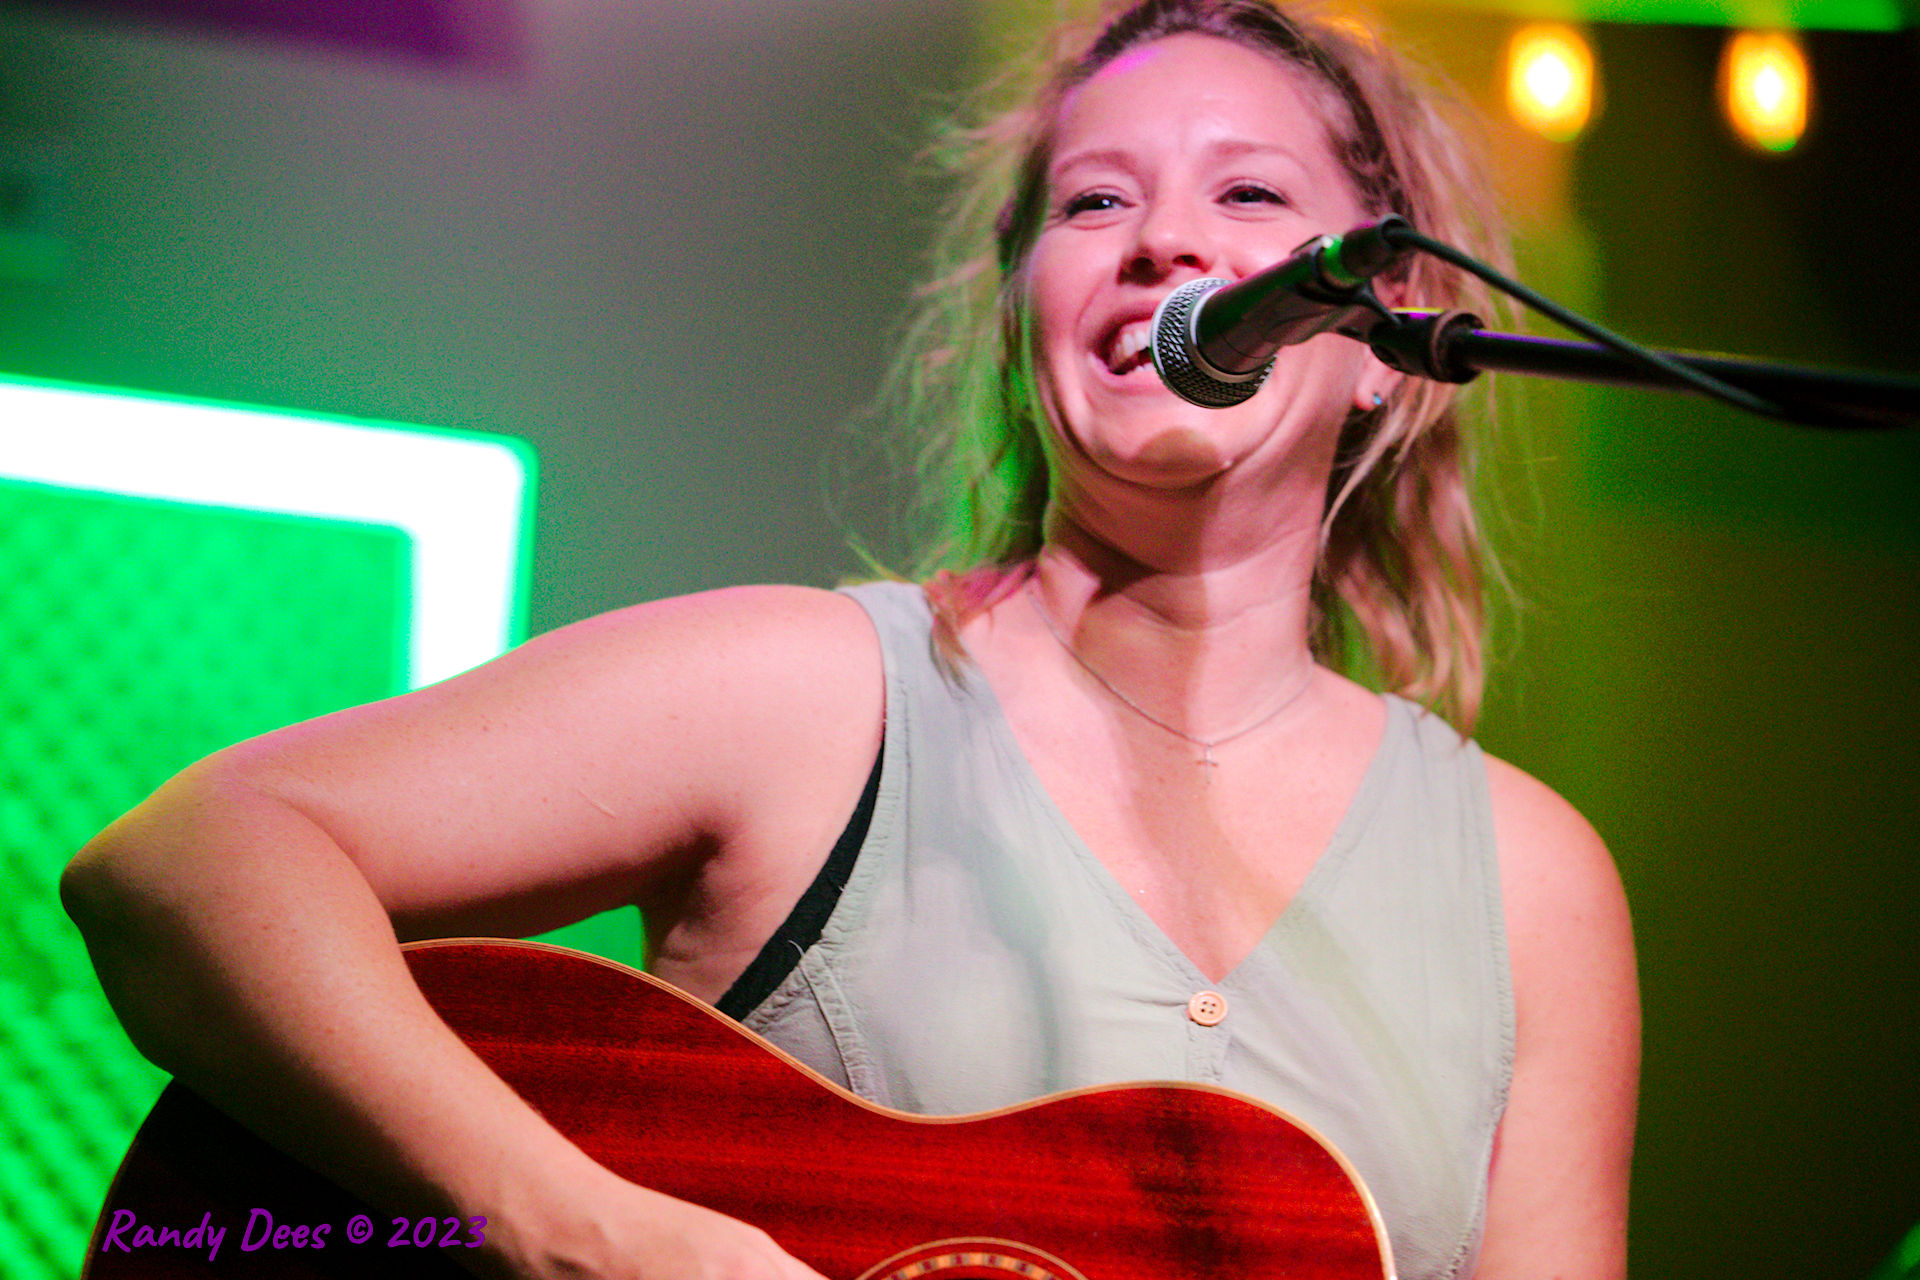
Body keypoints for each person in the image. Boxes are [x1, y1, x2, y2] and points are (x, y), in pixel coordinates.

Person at [61, 2, 1639, 1279]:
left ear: (1385, 337)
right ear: (1023, 314)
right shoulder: (818, 702)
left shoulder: (1529, 885)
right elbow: (190, 863)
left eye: (1250, 197)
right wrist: (572, 1229)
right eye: (1097, 201)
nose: (1164, 243)